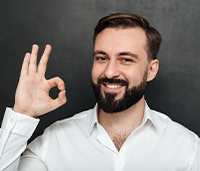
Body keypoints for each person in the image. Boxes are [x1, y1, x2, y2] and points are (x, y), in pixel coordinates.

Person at [0, 13, 199, 171]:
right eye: (102, 58)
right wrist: (22, 114)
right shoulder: (53, 142)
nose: (109, 72)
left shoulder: (188, 149)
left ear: (151, 70)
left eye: (126, 59)